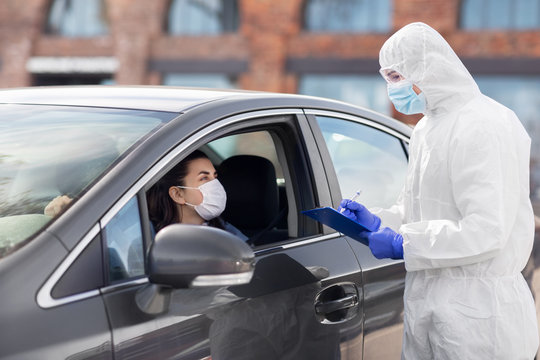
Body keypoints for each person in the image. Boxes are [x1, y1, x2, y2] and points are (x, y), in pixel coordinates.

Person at [339, 22, 539, 359]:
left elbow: (487, 230)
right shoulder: (427, 129)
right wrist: (379, 221)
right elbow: (417, 209)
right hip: (428, 302)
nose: (391, 87)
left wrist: (406, 242)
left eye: (397, 76)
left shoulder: (485, 124)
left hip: (480, 314)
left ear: (427, 68)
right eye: (386, 77)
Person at [147, 150, 247, 241]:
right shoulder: (152, 239)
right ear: (178, 195)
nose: (216, 185)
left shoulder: (223, 228)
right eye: (204, 178)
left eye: (215, 177)